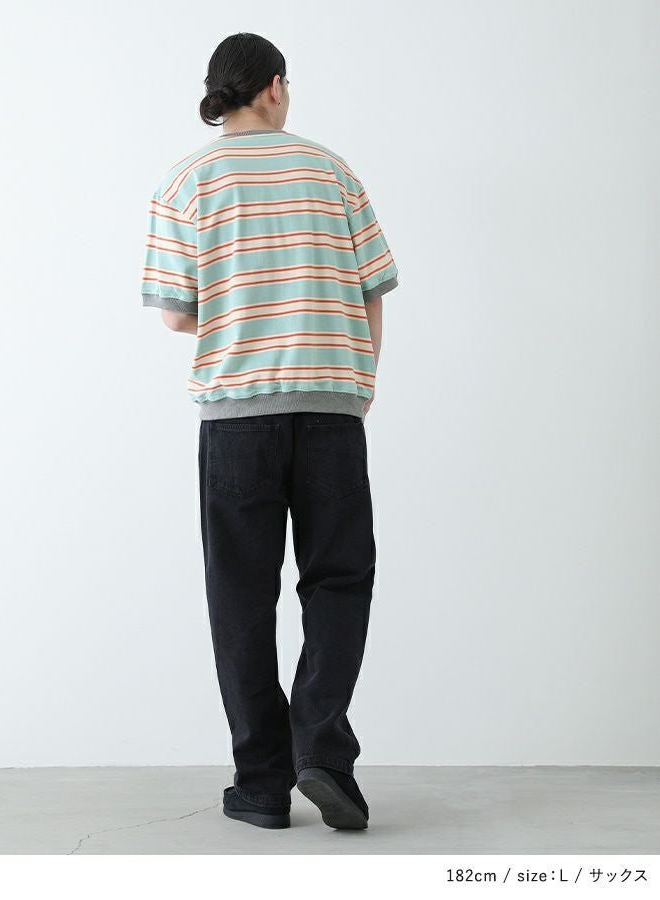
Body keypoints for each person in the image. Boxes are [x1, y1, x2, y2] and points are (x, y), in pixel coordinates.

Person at [141, 32, 398, 830]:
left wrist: (244, 311)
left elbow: (177, 314)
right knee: (339, 579)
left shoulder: (186, 181)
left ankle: (260, 784)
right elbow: (373, 289)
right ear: (276, 87)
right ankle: (322, 748)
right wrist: (360, 382)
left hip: (236, 420)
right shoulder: (332, 171)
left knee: (241, 596)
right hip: (330, 408)